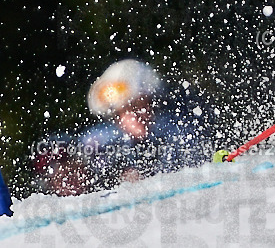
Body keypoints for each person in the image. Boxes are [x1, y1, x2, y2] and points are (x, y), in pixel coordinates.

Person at [33, 59, 210, 194]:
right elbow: (65, 152)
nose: (129, 118)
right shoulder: (106, 140)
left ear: (154, 103)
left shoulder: (179, 131)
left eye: (135, 107)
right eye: (119, 113)